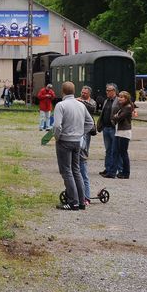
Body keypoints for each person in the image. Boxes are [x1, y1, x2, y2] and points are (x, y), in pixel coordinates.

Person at [53, 81, 95, 210]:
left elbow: (57, 125)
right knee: (76, 170)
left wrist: (57, 137)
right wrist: (81, 133)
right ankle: (82, 201)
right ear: (74, 91)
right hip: (77, 141)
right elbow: (90, 123)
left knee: (66, 171)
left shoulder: (61, 105)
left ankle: (73, 202)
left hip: (64, 141)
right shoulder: (81, 105)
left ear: (63, 91)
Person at [76, 85, 98, 204]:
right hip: (78, 128)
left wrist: (81, 101)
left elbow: (92, 108)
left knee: (84, 148)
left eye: (85, 93)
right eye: (82, 92)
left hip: (87, 130)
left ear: (89, 93)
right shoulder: (78, 100)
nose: (83, 94)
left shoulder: (91, 102)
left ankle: (83, 157)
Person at [111, 90, 136, 178]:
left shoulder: (128, 107)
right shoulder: (122, 106)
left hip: (124, 132)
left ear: (126, 98)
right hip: (119, 131)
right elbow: (115, 116)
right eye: (119, 97)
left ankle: (126, 173)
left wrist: (115, 117)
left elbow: (119, 118)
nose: (119, 98)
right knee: (119, 152)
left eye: (122, 97)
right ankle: (122, 172)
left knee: (123, 153)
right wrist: (115, 117)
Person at [98, 83, 119, 178]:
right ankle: (107, 168)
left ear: (114, 91)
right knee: (108, 150)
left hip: (113, 128)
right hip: (106, 128)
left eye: (108, 90)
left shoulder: (118, 101)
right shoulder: (106, 101)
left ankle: (117, 169)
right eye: (106, 90)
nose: (107, 92)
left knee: (115, 150)